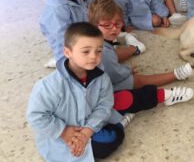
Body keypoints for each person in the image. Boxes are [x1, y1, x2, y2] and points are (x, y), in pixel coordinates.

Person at [26, 22, 124, 161]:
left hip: (89, 127)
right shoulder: (49, 86)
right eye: (86, 51)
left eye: (98, 50)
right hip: (62, 135)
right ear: (67, 52)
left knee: (113, 136)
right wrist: (64, 132)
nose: (93, 56)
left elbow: (104, 106)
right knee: (95, 147)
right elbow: (36, 116)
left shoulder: (102, 78)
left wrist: (87, 132)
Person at [87, 0, 194, 117]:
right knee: (139, 80)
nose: (114, 29)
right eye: (107, 25)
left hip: (97, 87)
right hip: (101, 93)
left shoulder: (96, 40)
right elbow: (116, 74)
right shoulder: (103, 51)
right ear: (94, 26)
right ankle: (174, 75)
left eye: (118, 23)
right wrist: (127, 70)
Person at [38, 0, 88, 68]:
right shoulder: (56, 9)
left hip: (82, 42)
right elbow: (62, 38)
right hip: (68, 53)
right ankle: (58, 62)